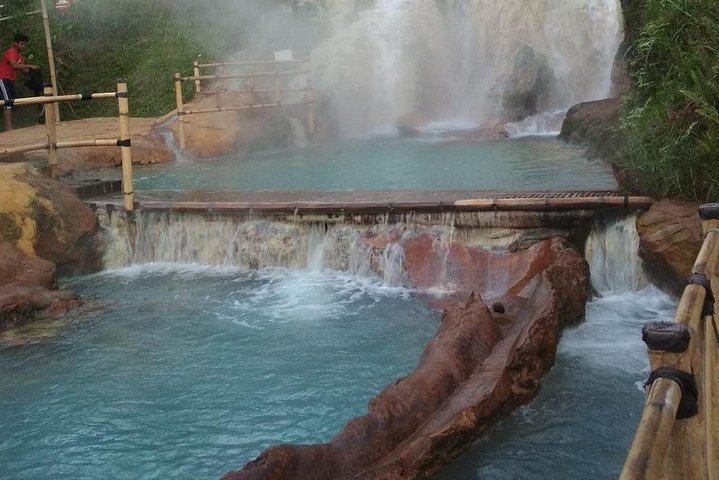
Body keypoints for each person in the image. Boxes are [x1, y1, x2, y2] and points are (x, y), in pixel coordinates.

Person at [0, 33, 39, 131]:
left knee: (11, 103)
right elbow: (14, 65)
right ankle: (8, 128)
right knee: (7, 102)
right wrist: (29, 66)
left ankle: (10, 126)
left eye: (24, 44)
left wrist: (33, 70)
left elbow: (23, 69)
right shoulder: (11, 52)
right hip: (2, 79)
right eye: (22, 44)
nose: (23, 46)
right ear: (15, 43)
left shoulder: (19, 55)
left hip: (9, 80)